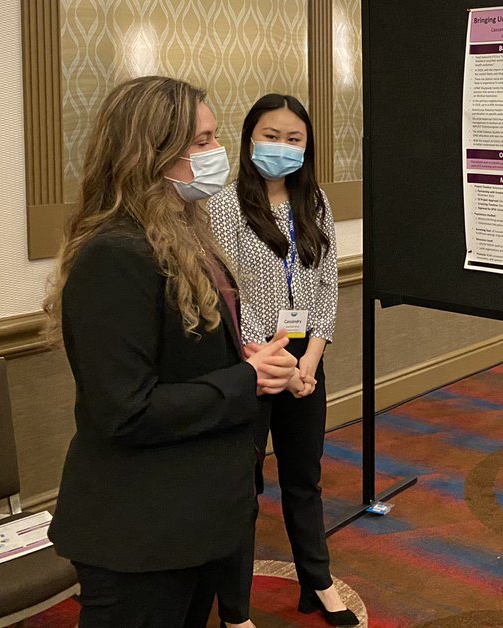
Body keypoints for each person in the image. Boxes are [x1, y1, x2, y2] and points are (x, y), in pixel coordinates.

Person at [46, 76, 299, 628]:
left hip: (191, 518)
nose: (218, 154)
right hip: (139, 533)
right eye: (203, 142)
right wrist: (245, 381)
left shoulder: (183, 232)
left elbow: (181, 355)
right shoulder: (114, 255)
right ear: (151, 155)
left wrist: (245, 360)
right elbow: (124, 410)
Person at [209, 93, 356, 627]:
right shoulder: (222, 206)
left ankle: (316, 582)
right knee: (242, 489)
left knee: (304, 477)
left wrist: (309, 362)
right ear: (250, 138)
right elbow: (227, 296)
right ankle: (234, 608)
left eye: (294, 139)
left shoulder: (313, 201)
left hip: (305, 357)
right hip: (249, 361)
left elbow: (326, 286)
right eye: (271, 136)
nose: (282, 147)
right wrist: (276, 365)